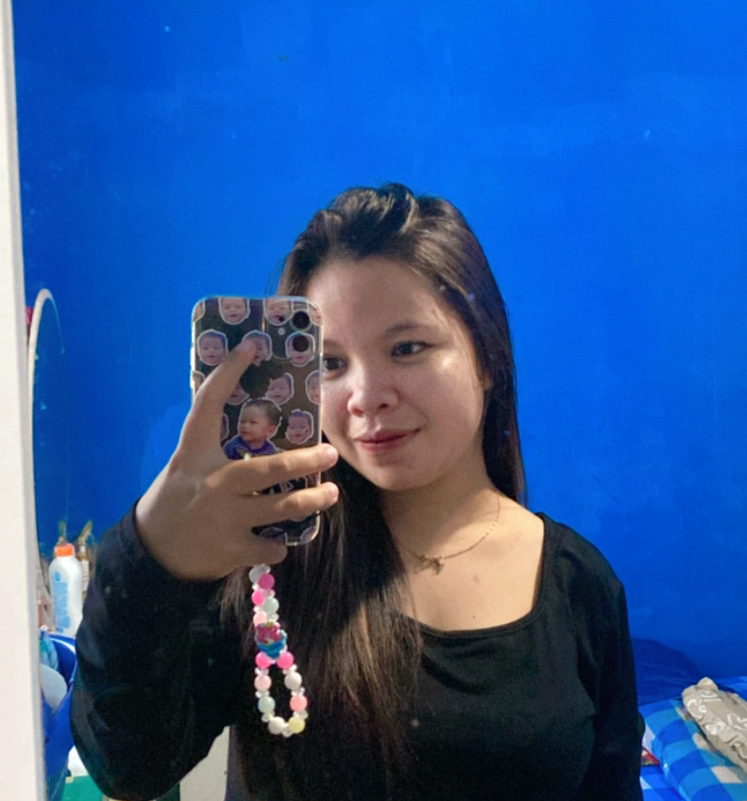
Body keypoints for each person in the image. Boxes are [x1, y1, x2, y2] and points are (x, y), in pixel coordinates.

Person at [71, 183, 643, 801]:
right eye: (331, 363)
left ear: (486, 357)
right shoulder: (264, 562)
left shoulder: (580, 584)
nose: (366, 396)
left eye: (407, 348)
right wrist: (149, 553)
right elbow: (129, 766)